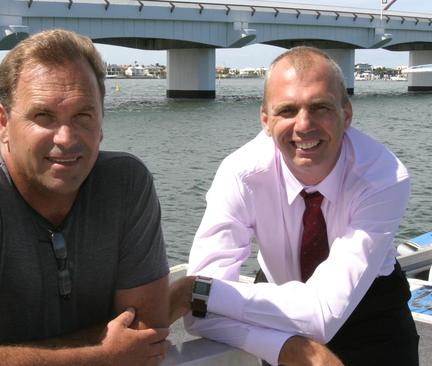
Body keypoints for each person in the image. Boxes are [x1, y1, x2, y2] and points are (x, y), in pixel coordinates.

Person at [0, 29, 170, 365]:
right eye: (43, 117)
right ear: (3, 123)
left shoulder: (126, 183)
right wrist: (102, 355)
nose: (66, 138)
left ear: (102, 120)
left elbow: (144, 338)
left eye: (83, 116)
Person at [169, 47, 419, 366]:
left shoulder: (382, 176)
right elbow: (199, 315)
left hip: (371, 313)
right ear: (265, 121)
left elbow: (321, 314)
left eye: (320, 107)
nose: (303, 125)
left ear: (347, 114)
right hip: (275, 305)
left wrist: (196, 292)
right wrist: (287, 348)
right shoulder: (241, 173)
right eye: (287, 110)